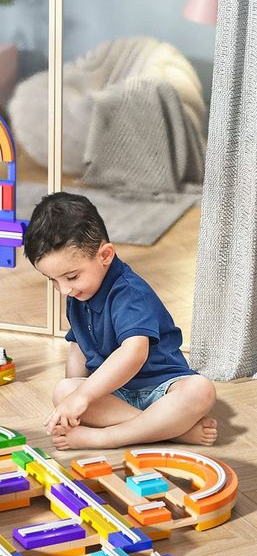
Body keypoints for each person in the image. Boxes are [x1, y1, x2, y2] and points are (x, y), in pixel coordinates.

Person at [24, 192, 217, 451]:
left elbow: (134, 353)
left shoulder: (129, 292)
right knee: (63, 390)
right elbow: (78, 348)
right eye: (53, 280)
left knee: (201, 390)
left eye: (71, 277)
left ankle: (109, 437)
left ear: (105, 255)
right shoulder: (79, 294)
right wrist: (73, 400)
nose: (64, 290)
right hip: (114, 395)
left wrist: (84, 396)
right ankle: (170, 430)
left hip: (162, 389)